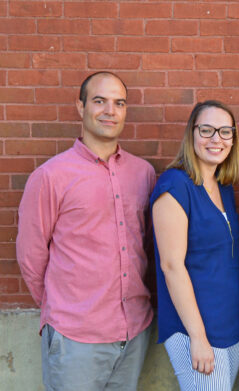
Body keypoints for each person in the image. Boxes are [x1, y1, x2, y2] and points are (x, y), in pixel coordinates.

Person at [16, 71, 154, 390]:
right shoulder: (51, 176)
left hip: (134, 331)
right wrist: (63, 311)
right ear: (80, 107)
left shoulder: (143, 173)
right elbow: (31, 256)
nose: (110, 110)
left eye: (119, 103)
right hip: (75, 336)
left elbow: (144, 244)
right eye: (99, 101)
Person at [150, 100, 239, 390]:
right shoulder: (174, 186)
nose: (216, 139)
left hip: (230, 324)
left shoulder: (223, 187)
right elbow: (171, 266)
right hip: (195, 329)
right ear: (191, 134)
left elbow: (231, 259)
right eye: (207, 130)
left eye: (225, 131)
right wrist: (198, 337)